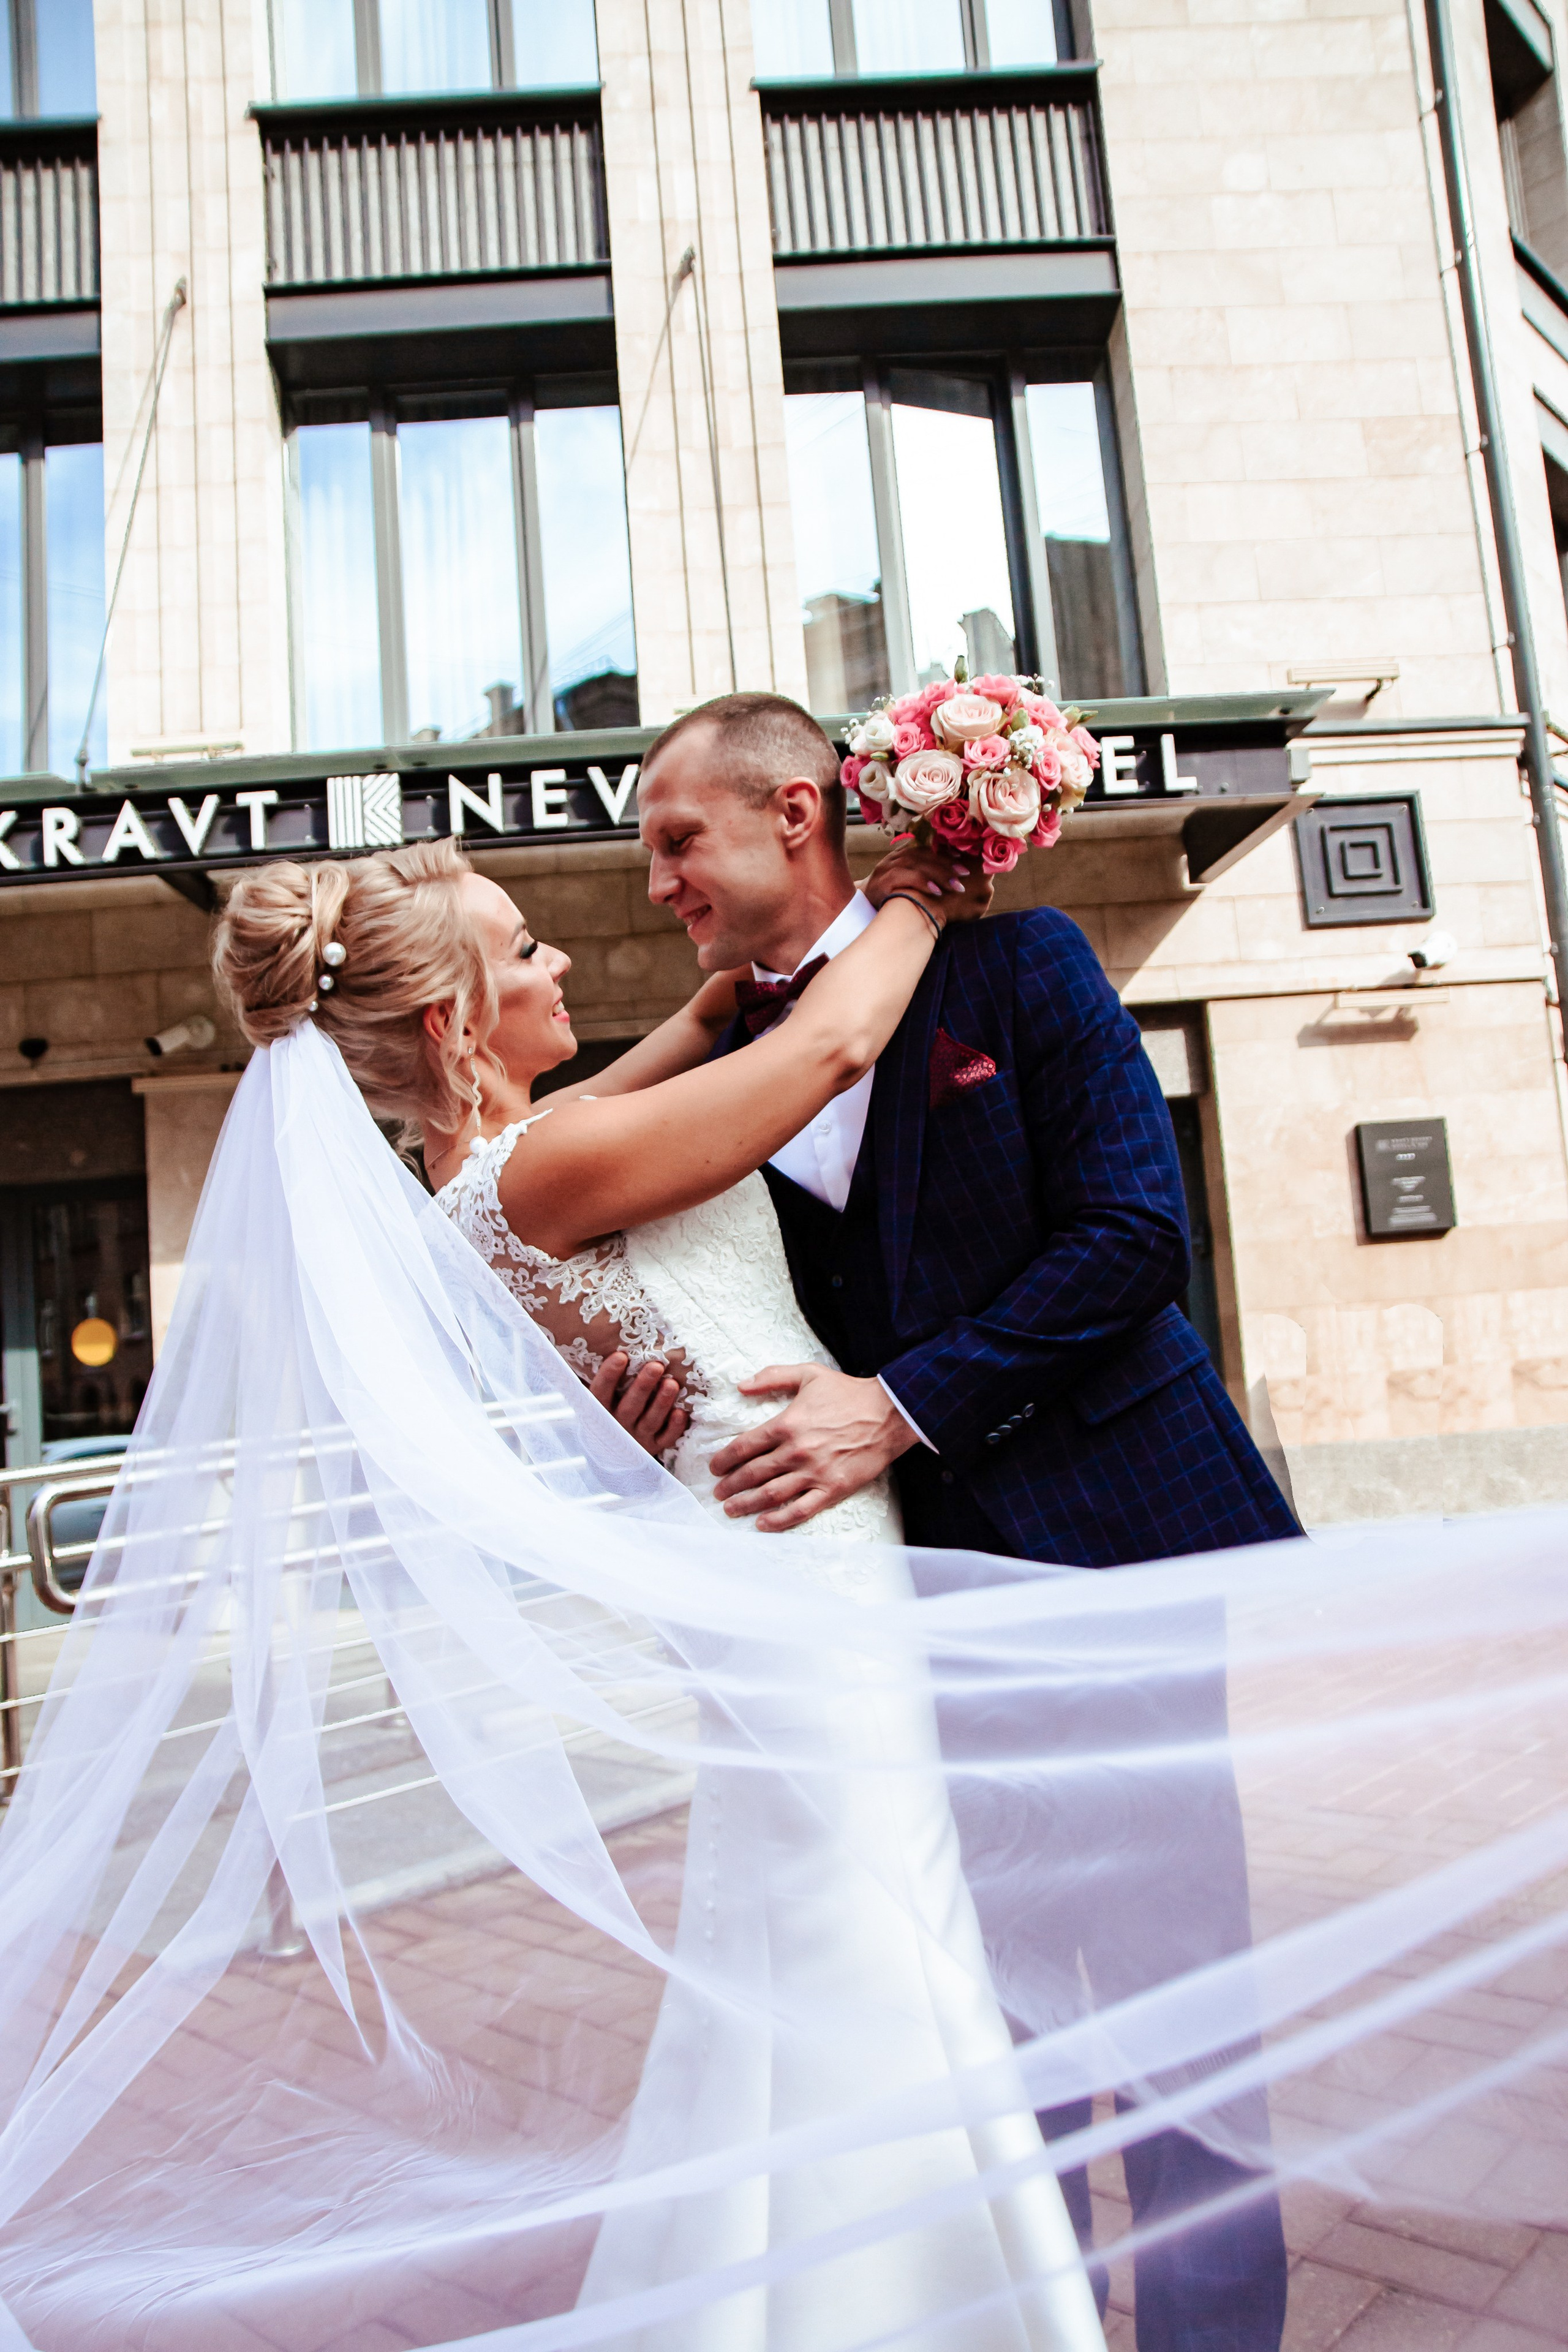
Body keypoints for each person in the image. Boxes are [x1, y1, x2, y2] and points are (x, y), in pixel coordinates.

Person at [211, 831, 1107, 2352]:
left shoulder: (482, 1179)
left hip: (767, 1582)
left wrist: (719, 987)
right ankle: (901, 2310)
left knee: (812, 1927)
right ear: (449, 1023)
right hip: (806, 1580)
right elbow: (826, 1047)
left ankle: (795, 2291)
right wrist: (925, 881)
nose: (564, 962)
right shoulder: (551, 1162)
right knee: (869, 1936)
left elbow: (681, 1046)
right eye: (525, 949)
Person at [625, 692, 1300, 2352]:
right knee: (994, 2031)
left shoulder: (1027, 968)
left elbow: (1136, 1235)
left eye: (675, 842)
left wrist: (904, 1400)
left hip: (1111, 1556)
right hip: (895, 1612)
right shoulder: (719, 1057)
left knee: (1176, 2014)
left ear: (798, 814)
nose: (657, 886)